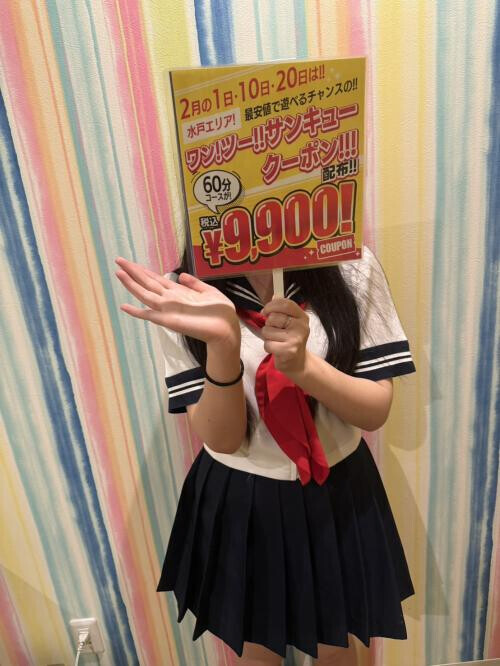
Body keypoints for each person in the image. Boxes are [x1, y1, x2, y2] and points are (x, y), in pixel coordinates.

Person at [115, 245, 416, 666]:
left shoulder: (351, 265)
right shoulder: (185, 293)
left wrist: (304, 367)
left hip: (338, 489)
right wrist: (223, 345)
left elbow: (374, 411)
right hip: (241, 497)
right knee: (257, 646)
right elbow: (223, 439)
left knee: (337, 642)